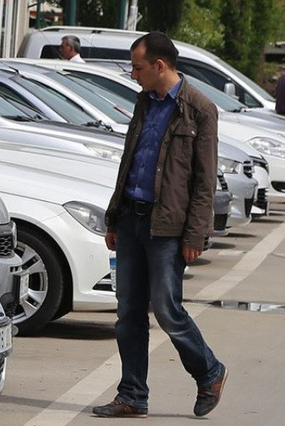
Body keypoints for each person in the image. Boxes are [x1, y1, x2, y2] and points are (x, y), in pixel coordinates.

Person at [94, 31, 228, 419]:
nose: (132, 74)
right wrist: (113, 216)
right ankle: (132, 395)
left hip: (167, 228)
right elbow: (129, 162)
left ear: (159, 65)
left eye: (137, 67)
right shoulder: (144, 102)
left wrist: (195, 234)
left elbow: (204, 181)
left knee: (167, 309)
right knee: (128, 313)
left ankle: (210, 371)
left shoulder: (199, 109)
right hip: (131, 220)